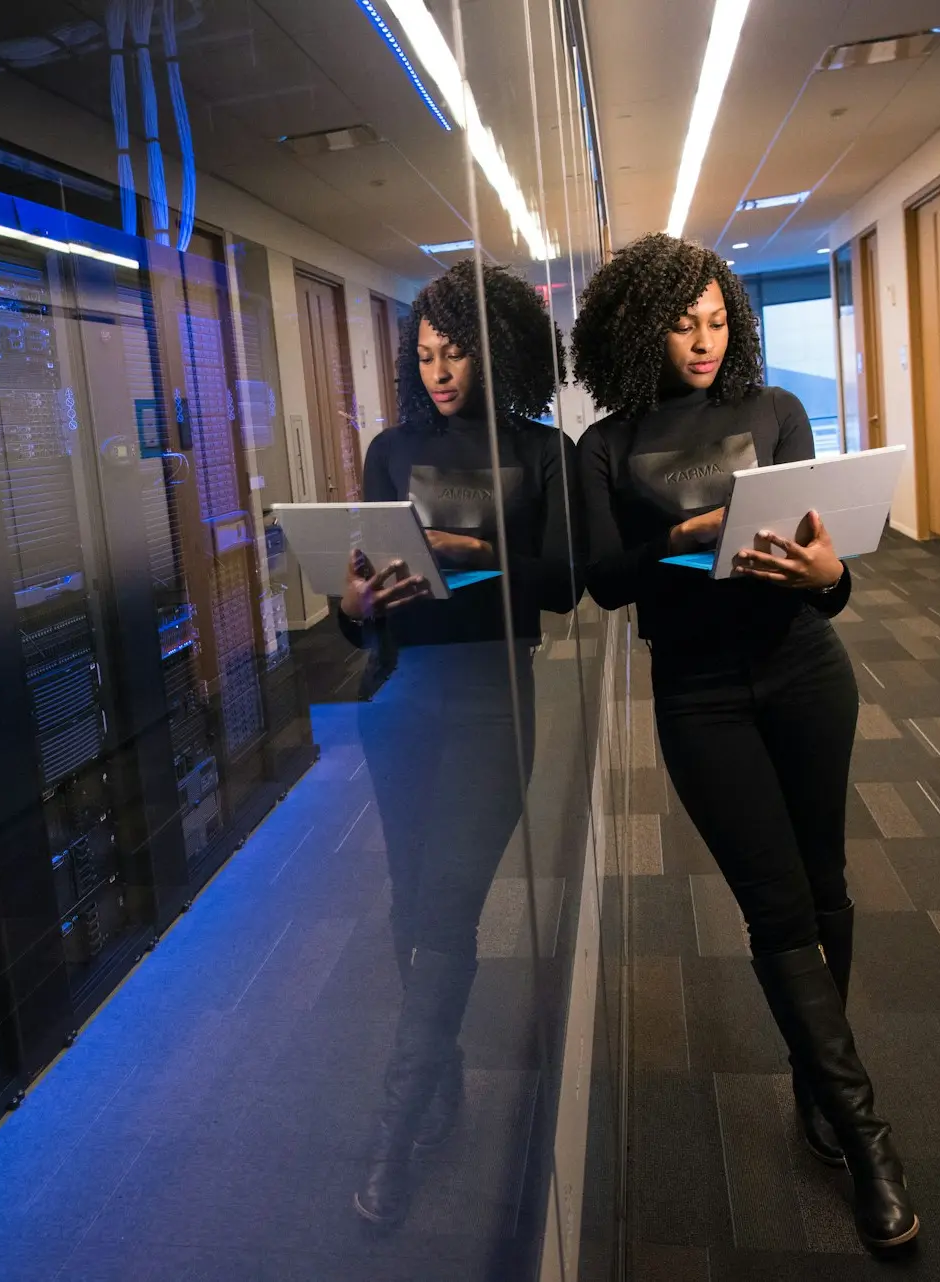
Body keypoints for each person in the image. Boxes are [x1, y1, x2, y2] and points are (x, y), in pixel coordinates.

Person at [572, 233, 918, 1251]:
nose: (705, 341)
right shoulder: (607, 446)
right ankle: (868, 1139)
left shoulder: (775, 412)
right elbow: (603, 579)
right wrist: (679, 539)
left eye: (719, 321)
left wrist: (830, 576)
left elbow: (829, 572)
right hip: (699, 693)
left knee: (825, 882)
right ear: (642, 329)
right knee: (775, 907)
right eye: (683, 324)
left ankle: (817, 1082)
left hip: (804, 667)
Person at [337, 260, 581, 1228]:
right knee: (410, 903)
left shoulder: (541, 450)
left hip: (493, 699)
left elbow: (567, 584)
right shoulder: (390, 450)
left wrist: (482, 554)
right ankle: (439, 1080)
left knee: (445, 906)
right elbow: (360, 604)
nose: (439, 372)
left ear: (497, 350)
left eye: (457, 353)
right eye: (427, 354)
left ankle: (394, 1130)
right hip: (403, 696)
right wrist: (355, 605)